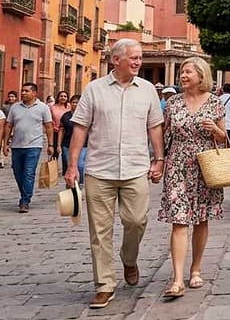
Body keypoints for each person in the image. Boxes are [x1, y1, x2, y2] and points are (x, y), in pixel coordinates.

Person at [64, 38, 165, 310]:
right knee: (99, 231)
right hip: (99, 169)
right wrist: (73, 165)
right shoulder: (94, 90)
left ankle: (129, 258)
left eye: (140, 58)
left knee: (136, 220)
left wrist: (159, 159)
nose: (137, 62)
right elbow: (80, 128)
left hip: (135, 168)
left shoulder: (147, 91)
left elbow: (155, 127)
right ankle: (104, 285)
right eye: (132, 57)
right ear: (115, 60)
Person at [157, 57, 227, 298]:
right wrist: (159, 161)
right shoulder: (173, 103)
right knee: (178, 220)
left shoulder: (215, 103)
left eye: (187, 72)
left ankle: (195, 268)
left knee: (201, 220)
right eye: (181, 72)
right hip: (177, 164)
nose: (183, 76)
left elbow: (223, 138)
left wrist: (215, 130)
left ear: (201, 75)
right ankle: (177, 279)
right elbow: (165, 135)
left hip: (205, 166)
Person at [2, 83, 53, 213]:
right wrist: (5, 144)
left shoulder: (43, 108)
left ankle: (24, 201)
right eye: (22, 91)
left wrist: (51, 145)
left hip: (34, 145)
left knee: (29, 173)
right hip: (17, 145)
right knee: (18, 172)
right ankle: (25, 192)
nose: (23, 93)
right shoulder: (15, 107)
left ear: (34, 93)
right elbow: (8, 125)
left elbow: (48, 126)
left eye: (26, 91)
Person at [59, 94, 88, 184]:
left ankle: (80, 183)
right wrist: (58, 145)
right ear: (70, 103)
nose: (75, 104)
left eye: (77, 103)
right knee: (69, 165)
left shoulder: (85, 115)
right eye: (73, 102)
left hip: (83, 144)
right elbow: (61, 130)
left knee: (80, 165)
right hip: (67, 144)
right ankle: (71, 184)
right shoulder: (65, 116)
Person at [50, 90, 71, 163]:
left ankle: (65, 170)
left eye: (65, 96)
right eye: (61, 96)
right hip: (56, 131)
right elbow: (50, 120)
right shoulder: (53, 107)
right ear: (58, 97)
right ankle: (53, 171)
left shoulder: (70, 106)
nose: (63, 98)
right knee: (55, 152)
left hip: (67, 132)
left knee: (66, 153)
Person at [0, 89, 16, 169]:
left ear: (15, 98)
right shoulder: (4, 106)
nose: (11, 98)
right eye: (9, 96)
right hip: (6, 126)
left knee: (14, 145)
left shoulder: (17, 107)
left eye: (12, 97)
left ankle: (14, 161)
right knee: (4, 143)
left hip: (15, 127)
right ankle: (1, 161)